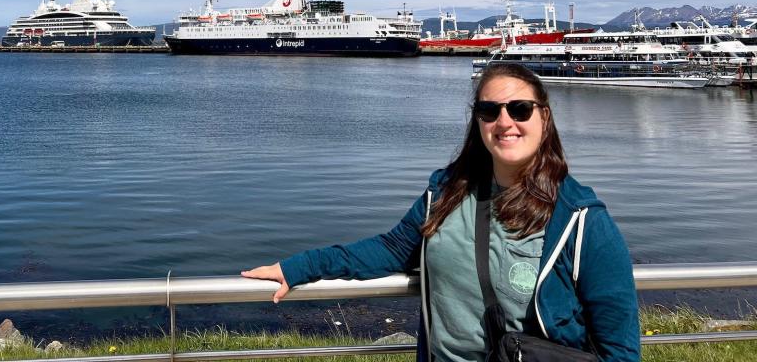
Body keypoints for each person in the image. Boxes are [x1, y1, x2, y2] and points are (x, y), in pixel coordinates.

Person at [242, 62, 639, 362]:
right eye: (489, 110)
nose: (505, 122)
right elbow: (392, 249)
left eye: (520, 109)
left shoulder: (583, 219)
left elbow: (620, 348)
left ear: (544, 117)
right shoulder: (447, 192)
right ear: (477, 121)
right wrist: (300, 267)